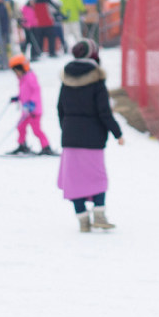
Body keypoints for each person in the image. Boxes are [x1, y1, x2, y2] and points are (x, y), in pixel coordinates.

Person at [56, 41, 124, 232]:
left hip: (70, 138)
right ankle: (100, 214)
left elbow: (60, 109)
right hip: (93, 138)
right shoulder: (96, 80)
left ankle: (83, 219)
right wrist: (117, 132)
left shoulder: (66, 79)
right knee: (96, 177)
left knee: (75, 179)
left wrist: (67, 129)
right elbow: (104, 112)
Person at [7, 54, 54, 156]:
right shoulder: (22, 79)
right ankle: (22, 145)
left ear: (22, 68)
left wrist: (32, 104)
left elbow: (36, 91)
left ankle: (46, 147)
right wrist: (17, 97)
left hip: (34, 111)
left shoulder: (30, 77)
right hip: (26, 110)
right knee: (20, 126)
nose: (16, 74)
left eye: (16, 71)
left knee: (36, 130)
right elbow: (24, 93)